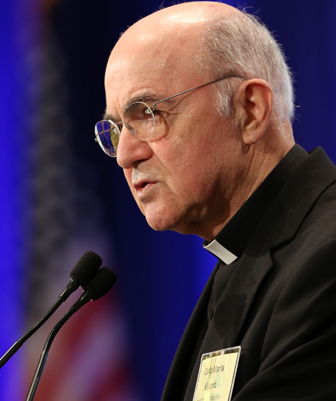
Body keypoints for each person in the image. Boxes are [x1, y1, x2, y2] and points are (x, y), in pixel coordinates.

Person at [94, 2, 336, 400]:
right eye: (118, 128)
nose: (125, 155)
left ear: (251, 110)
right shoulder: (241, 255)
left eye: (149, 113)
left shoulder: (327, 256)